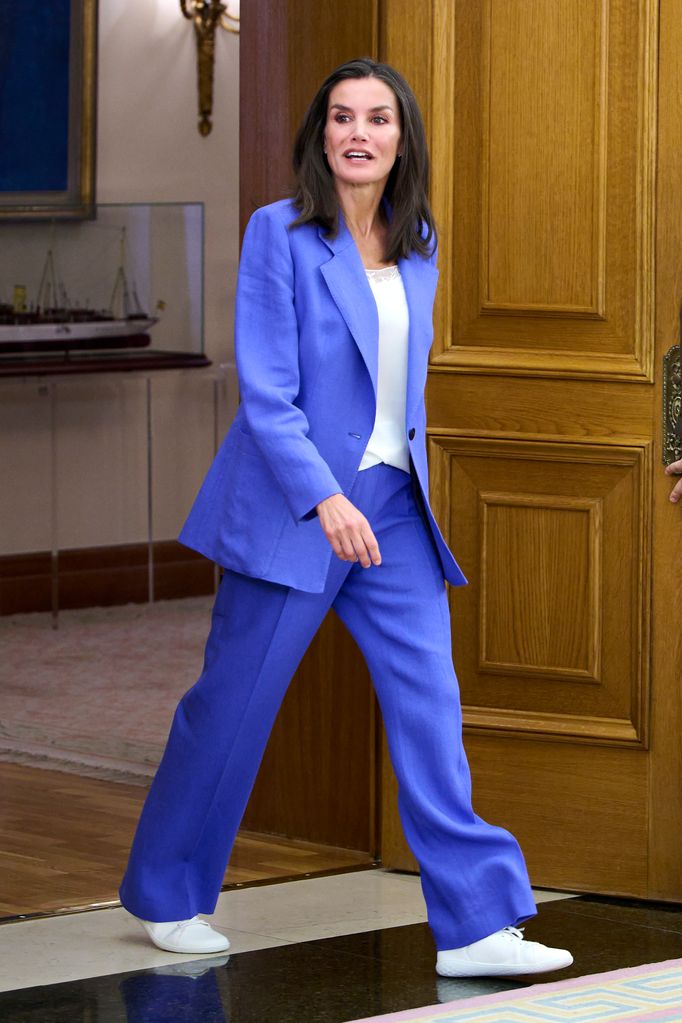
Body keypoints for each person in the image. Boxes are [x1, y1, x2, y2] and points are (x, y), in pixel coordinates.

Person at [119, 58, 573, 979]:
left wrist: (376, 483)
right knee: (231, 708)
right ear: (320, 135)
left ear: (401, 137)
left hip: (392, 509)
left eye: (378, 118)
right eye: (341, 117)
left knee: (431, 705)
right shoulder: (278, 234)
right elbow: (267, 391)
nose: (358, 133)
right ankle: (168, 893)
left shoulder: (421, 240)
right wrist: (324, 497)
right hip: (298, 508)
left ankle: (477, 921)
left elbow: (404, 379)